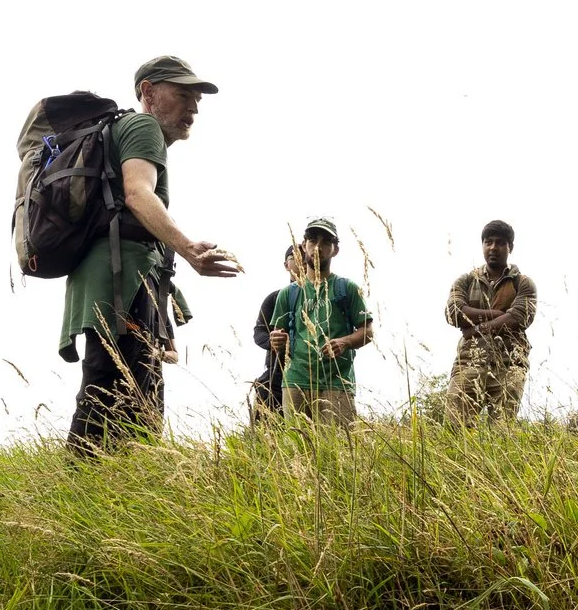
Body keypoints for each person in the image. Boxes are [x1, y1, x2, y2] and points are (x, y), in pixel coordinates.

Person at [60, 55, 242, 454]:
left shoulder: (121, 130)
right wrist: (189, 248)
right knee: (124, 403)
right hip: (122, 281)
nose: (193, 108)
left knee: (120, 395)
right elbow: (137, 193)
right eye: (182, 95)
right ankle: (80, 494)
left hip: (114, 279)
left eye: (197, 100)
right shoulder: (143, 126)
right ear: (148, 92)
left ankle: (103, 494)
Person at [268, 217, 373, 427]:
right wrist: (276, 339)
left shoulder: (347, 289)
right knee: (298, 453)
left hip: (337, 383)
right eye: (313, 240)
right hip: (295, 382)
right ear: (304, 245)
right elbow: (276, 337)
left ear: (335, 250)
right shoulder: (288, 294)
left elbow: (367, 332)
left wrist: (345, 342)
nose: (318, 247)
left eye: (326, 242)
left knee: (339, 452)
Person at [443, 221, 537, 422]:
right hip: (469, 360)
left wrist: (474, 328)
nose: (493, 247)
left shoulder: (523, 283)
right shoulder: (466, 280)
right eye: (488, 242)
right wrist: (499, 313)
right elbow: (453, 312)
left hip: (510, 363)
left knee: (502, 433)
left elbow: (520, 316)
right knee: (455, 429)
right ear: (483, 245)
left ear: (510, 247)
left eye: (500, 243)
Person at [249, 245, 304, 421]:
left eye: (305, 255)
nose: (301, 259)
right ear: (286, 265)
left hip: (313, 378)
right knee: (266, 432)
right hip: (276, 377)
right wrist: (271, 341)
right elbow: (259, 332)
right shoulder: (275, 298)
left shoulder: (323, 298)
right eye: (294, 257)